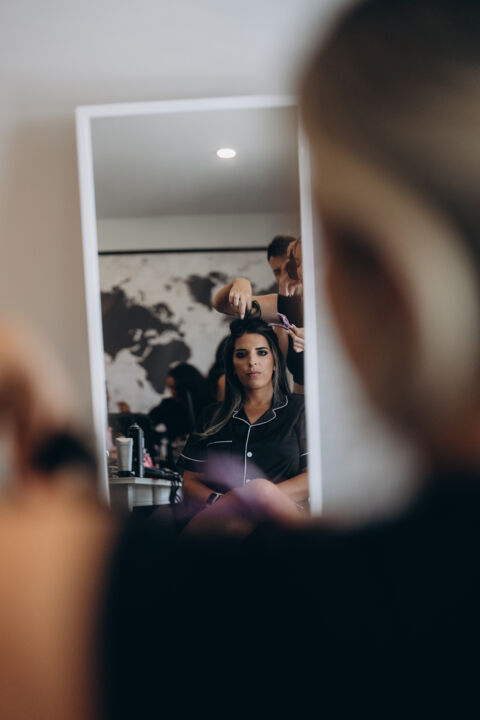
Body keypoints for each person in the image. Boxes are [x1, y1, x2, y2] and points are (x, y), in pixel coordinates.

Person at [2, 1, 480, 718]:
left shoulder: (314, 613)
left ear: (392, 279)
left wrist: (44, 412)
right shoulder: (217, 418)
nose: (258, 356)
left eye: (319, 261)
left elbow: (40, 590)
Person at [177, 311, 309, 517]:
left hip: (280, 521)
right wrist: (224, 504)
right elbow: (190, 482)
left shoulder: (299, 409)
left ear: (275, 362)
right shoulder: (211, 416)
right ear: (232, 366)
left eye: (262, 353)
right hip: (223, 520)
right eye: (241, 354)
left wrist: (260, 500)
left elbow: (311, 478)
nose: (252, 361)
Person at [212, 238, 306, 391]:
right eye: (277, 272)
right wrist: (240, 283)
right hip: (301, 403)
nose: (298, 271)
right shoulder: (287, 305)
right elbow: (220, 305)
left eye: (292, 266)